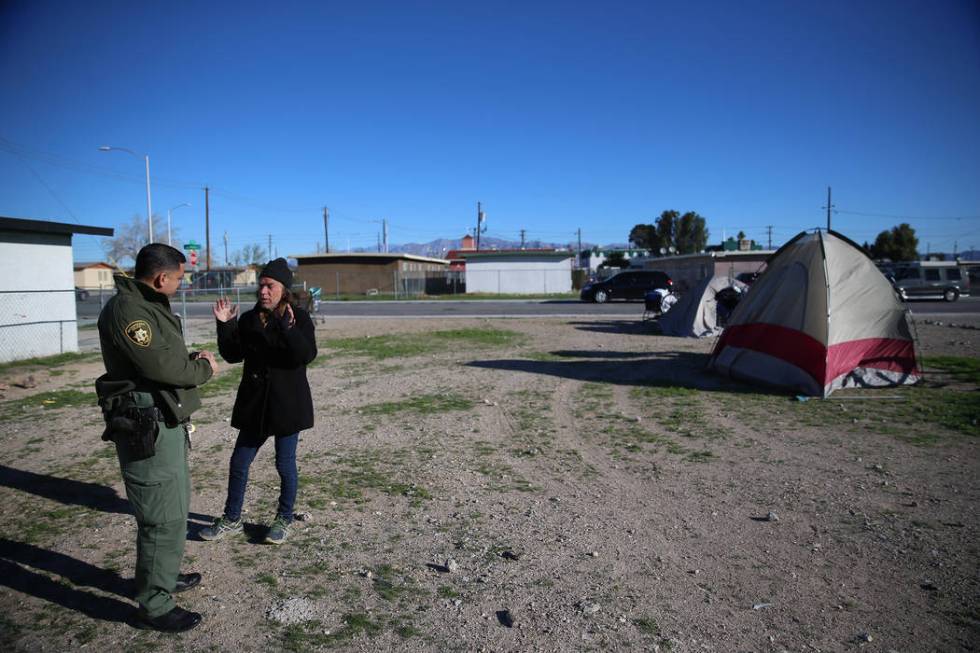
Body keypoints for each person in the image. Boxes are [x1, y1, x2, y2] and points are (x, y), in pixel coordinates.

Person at [95, 243, 218, 633]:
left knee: (174, 507)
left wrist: (189, 360)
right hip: (144, 422)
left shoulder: (147, 304)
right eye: (180, 279)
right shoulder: (129, 311)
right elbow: (162, 364)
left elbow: (165, 356)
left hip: (162, 420)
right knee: (159, 516)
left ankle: (163, 577)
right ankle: (153, 604)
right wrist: (202, 369)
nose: (181, 285)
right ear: (162, 277)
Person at [201, 258, 317, 545]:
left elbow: (305, 355)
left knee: (284, 463)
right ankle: (231, 519)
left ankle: (283, 519)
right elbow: (233, 354)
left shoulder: (298, 318)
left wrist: (288, 330)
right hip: (256, 405)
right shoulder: (250, 319)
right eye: (261, 285)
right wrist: (225, 325)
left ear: (283, 289)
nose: (264, 291)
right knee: (239, 462)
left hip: (287, 404)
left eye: (270, 286)